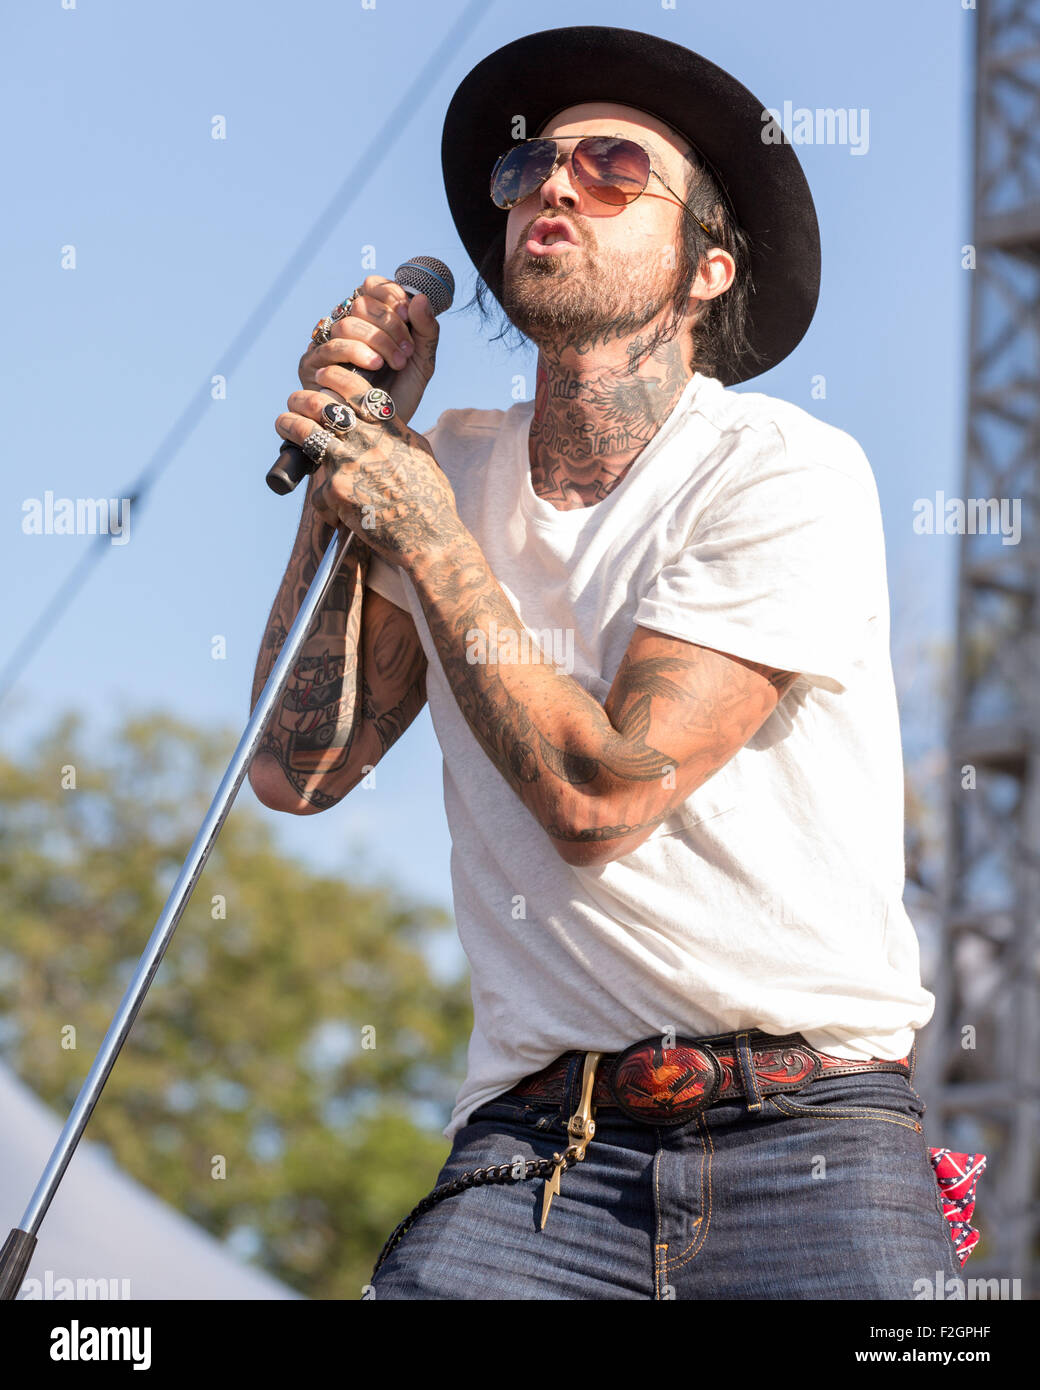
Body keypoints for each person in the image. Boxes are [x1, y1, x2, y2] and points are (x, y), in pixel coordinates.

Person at [248, 26, 960, 1299]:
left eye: (614, 165)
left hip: (808, 1140)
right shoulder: (444, 465)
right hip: (536, 1152)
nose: (554, 185)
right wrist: (353, 455)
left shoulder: (778, 469)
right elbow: (297, 774)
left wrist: (419, 524)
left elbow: (602, 794)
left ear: (705, 266)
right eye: (528, 169)